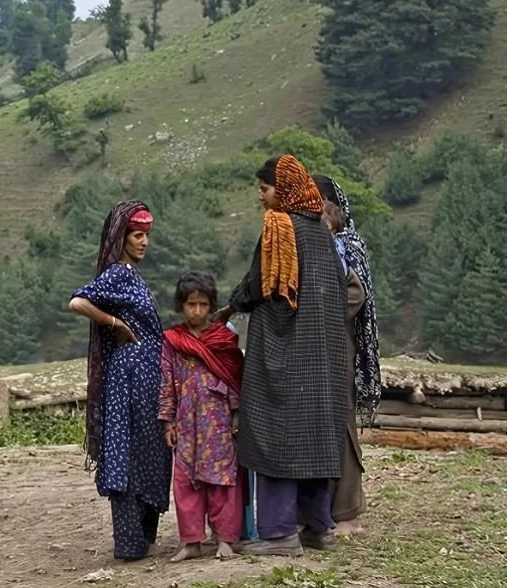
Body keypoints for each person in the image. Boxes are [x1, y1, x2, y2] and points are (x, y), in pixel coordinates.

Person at [214, 154, 348, 556]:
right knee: (314, 437)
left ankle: (279, 534)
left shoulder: (279, 228)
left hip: (284, 353)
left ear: (284, 190)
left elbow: (257, 286)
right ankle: (319, 529)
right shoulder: (324, 234)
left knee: (276, 435)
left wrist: (231, 306)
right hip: (322, 358)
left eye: (266, 188)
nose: (261, 196)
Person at [69, 201, 172, 561]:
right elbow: (78, 302)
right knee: (128, 452)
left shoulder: (132, 275)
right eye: (137, 235)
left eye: (146, 236)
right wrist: (115, 324)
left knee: (151, 448)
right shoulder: (116, 275)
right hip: (128, 378)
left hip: (146, 379)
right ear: (122, 238)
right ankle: (129, 542)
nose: (144, 242)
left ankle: (143, 537)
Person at [159, 272, 245, 563]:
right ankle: (191, 541)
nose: (196, 311)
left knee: (222, 482)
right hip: (186, 422)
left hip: (218, 422)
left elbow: (235, 378)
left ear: (211, 306)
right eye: (191, 304)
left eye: (203, 305)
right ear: (181, 305)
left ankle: (225, 540)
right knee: (185, 482)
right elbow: (167, 381)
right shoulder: (173, 340)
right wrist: (168, 421)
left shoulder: (223, 338)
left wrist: (235, 414)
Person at [313, 173, 381, 536]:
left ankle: (347, 511)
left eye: (320, 205)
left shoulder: (348, 246)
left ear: (334, 208)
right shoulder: (318, 243)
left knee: (342, 426)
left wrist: (321, 310)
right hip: (316, 349)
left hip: (339, 347)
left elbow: (357, 297)